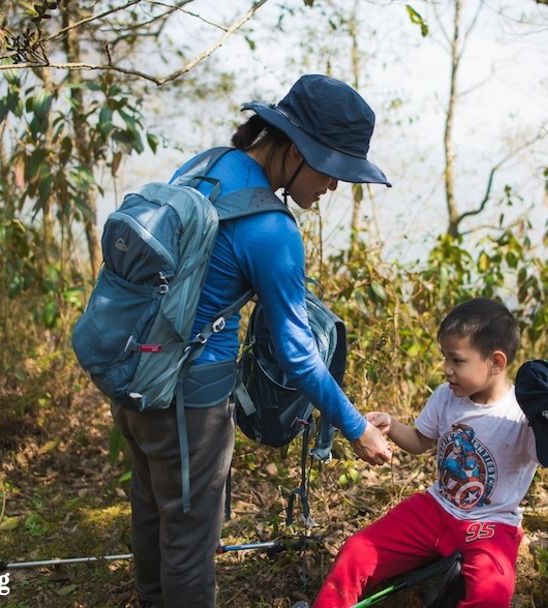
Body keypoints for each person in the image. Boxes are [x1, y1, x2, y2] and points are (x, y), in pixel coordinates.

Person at [110, 74, 394, 608]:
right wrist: (355, 426)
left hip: (134, 370)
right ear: (296, 151)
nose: (334, 186)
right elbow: (296, 352)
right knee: (190, 542)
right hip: (190, 401)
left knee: (151, 511)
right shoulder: (271, 228)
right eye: (332, 170)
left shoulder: (205, 166)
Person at [307, 297, 548, 608]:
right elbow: (420, 440)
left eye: (457, 360)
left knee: (491, 595)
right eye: (445, 358)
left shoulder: (525, 417)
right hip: (435, 509)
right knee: (357, 552)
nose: (446, 370)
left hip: (490, 525)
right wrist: (392, 424)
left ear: (496, 363)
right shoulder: (446, 397)